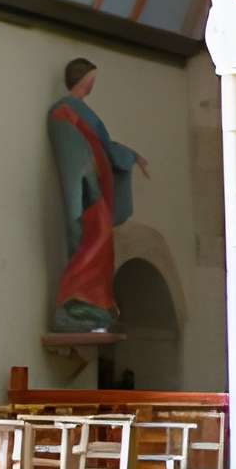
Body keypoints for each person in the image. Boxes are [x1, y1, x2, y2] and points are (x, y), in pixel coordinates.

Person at [48, 57, 144, 332]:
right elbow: (73, 151)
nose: (93, 84)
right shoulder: (63, 111)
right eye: (91, 79)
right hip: (87, 188)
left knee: (103, 241)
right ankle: (73, 299)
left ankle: (96, 302)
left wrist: (130, 156)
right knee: (96, 237)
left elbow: (105, 145)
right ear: (82, 79)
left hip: (98, 188)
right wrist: (87, 171)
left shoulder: (82, 111)